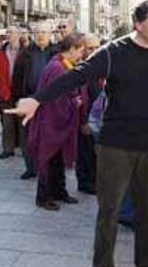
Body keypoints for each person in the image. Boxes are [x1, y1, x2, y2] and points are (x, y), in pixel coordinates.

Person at [8, 0, 148, 267]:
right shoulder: (113, 52)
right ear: (139, 24)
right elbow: (76, 74)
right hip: (115, 146)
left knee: (146, 214)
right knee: (109, 212)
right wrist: (38, 99)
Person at [26, 33, 86, 210]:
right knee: (48, 161)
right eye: (80, 51)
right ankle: (43, 197)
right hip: (50, 123)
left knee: (58, 161)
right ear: (72, 49)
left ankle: (59, 191)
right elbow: (55, 98)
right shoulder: (57, 68)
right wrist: (74, 102)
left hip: (56, 123)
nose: (81, 56)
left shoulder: (62, 63)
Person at [11, 23, 56, 179]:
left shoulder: (56, 52)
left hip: (50, 102)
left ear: (50, 33)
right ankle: (31, 167)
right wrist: (17, 100)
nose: (41, 35)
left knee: (49, 135)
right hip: (29, 99)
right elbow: (16, 78)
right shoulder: (25, 54)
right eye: (38, 32)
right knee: (28, 137)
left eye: (44, 32)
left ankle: (47, 167)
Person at [0, 25, 23, 159]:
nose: (8, 34)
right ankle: (8, 149)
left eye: (11, 32)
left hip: (21, 93)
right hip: (5, 93)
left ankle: (24, 149)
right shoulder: (0, 53)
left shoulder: (25, 51)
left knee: (22, 124)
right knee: (7, 123)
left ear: (18, 35)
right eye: (7, 32)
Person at [76, 34, 102, 195]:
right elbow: (82, 96)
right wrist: (84, 121)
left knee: (95, 153)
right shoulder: (81, 68)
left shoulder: (99, 64)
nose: (94, 51)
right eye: (90, 48)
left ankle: (93, 180)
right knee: (85, 152)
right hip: (86, 118)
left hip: (99, 118)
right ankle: (85, 182)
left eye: (96, 47)